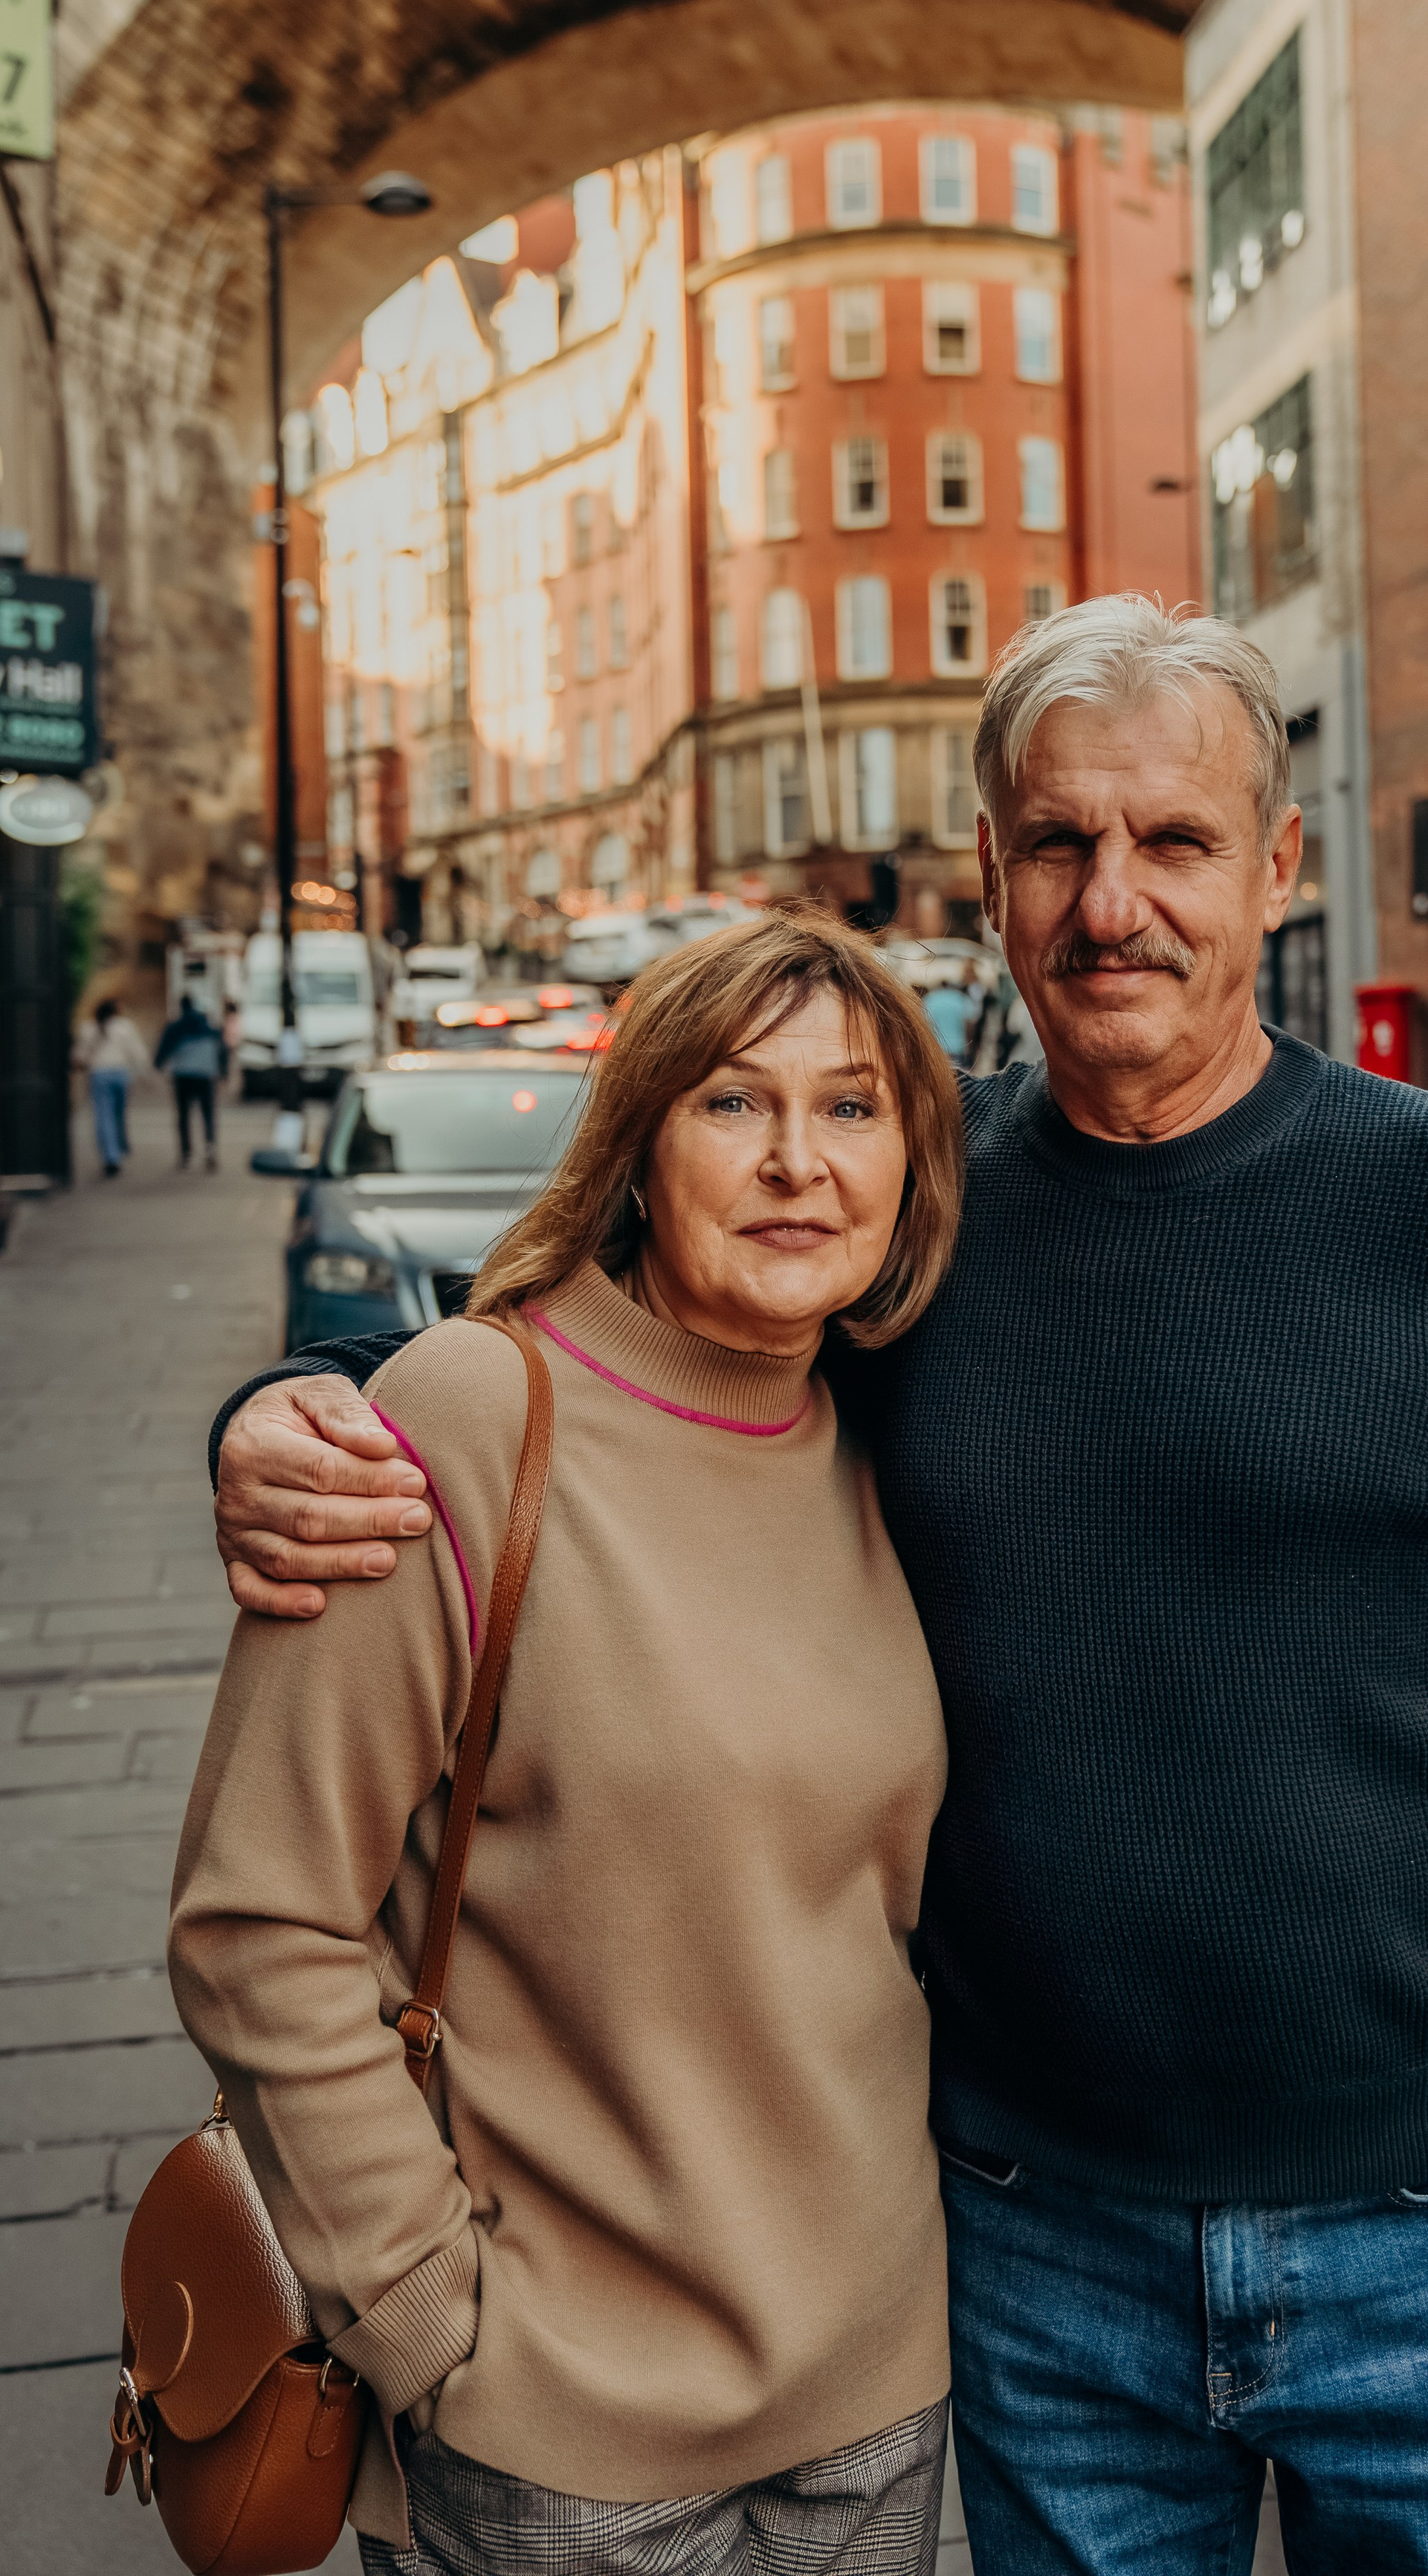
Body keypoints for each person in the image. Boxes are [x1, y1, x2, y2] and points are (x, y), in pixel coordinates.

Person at [209, 597, 1428, 2573]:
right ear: (995, 873)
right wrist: (296, 1409)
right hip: (1046, 2238)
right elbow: (644, 1367)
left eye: (1175, 842)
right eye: (1058, 845)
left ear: (1277, 870)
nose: (1110, 901)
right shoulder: (917, 1232)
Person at [169, 909, 964, 2572]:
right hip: (558, 2441)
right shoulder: (472, 1414)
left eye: (853, 1107)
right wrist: (424, 2321)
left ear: (914, 1170)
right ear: (638, 1144)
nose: (798, 1163)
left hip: (874, 2408)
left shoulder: (892, 1440)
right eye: (734, 1105)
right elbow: (260, 1921)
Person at [72, 997, 149, 1177]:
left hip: (99, 1075)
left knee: (103, 1116)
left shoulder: (88, 1028)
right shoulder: (125, 1026)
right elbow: (137, 1052)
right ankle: (120, 1146)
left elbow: (79, 1056)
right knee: (118, 1114)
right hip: (121, 1074)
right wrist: (143, 1073)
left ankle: (111, 1156)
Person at [155, 993, 227, 1171]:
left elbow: (163, 1050)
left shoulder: (175, 1028)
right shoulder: (208, 1027)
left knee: (184, 1116)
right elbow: (222, 1049)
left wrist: (158, 1064)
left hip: (183, 1076)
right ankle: (210, 1148)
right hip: (205, 1076)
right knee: (208, 1114)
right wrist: (223, 1072)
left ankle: (186, 1152)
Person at [922, 959, 980, 1065]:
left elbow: (925, 1025)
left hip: (937, 1049)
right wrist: (970, 1045)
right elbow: (970, 1024)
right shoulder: (961, 999)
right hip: (958, 1047)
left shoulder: (930, 999)